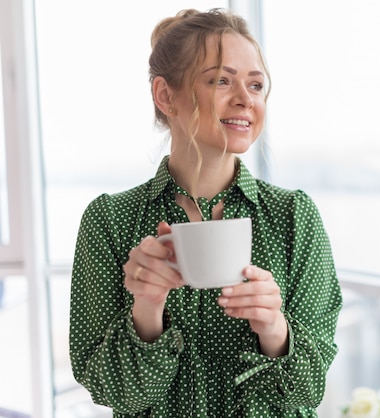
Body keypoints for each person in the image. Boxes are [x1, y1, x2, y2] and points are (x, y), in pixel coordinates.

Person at [69, 8, 342, 418]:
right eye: (221, 80)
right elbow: (113, 392)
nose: (245, 99)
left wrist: (273, 328)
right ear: (165, 95)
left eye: (255, 84)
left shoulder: (293, 217)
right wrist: (147, 307)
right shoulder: (110, 221)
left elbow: (308, 390)